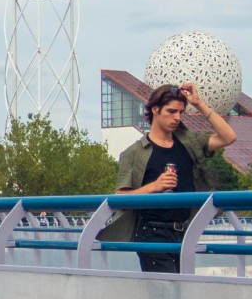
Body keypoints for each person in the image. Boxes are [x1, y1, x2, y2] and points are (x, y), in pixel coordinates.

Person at [98, 83, 237, 273]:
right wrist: (153, 187)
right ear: (155, 110)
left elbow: (228, 137)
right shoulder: (134, 153)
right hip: (152, 232)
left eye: (180, 112)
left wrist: (199, 104)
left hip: (186, 231)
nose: (177, 118)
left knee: (179, 293)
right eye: (171, 111)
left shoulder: (189, 143)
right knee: (166, 291)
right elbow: (119, 198)